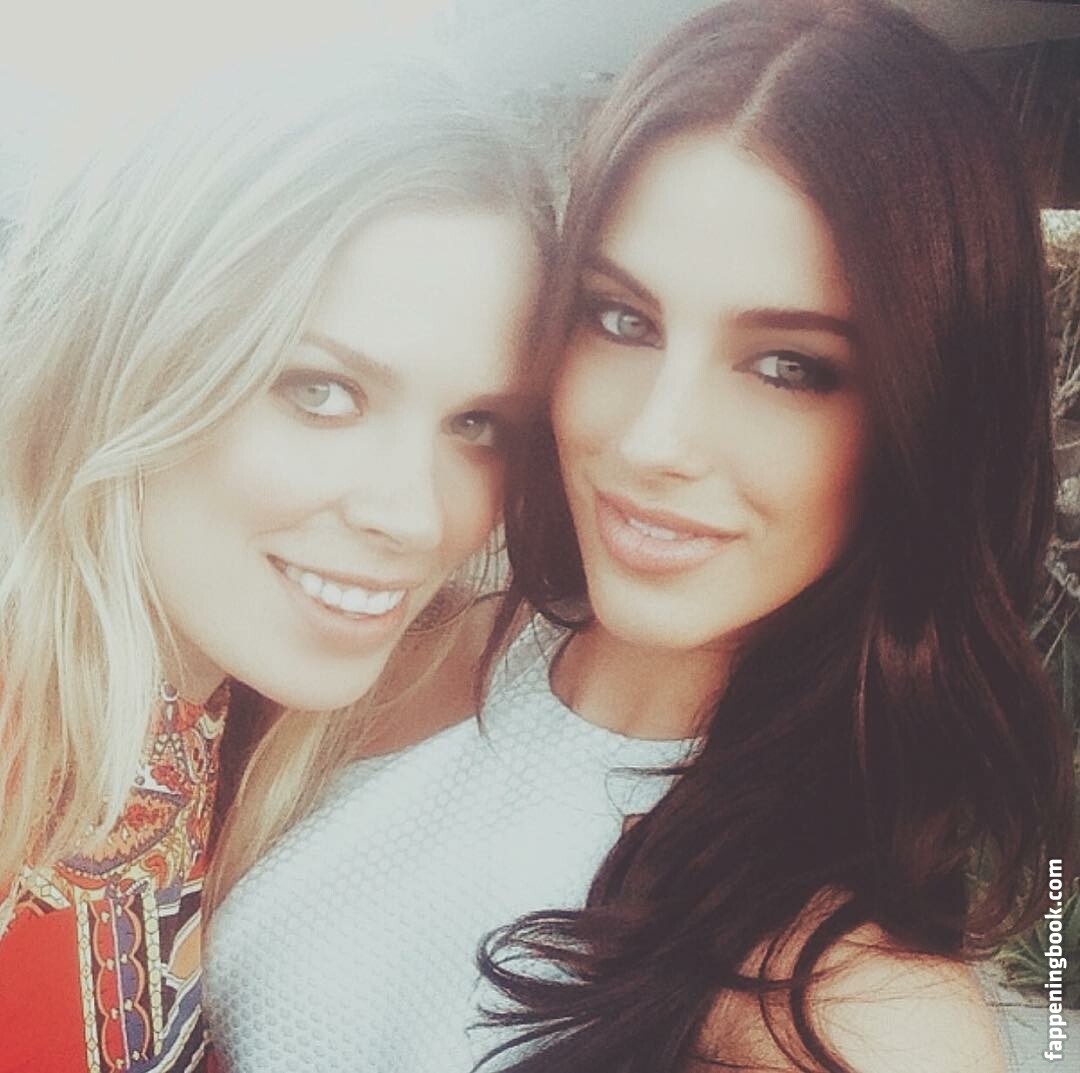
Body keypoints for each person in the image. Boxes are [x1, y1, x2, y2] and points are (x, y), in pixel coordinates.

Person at [205, 2, 1075, 1072]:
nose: (653, 440)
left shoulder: (857, 1014)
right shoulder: (393, 646)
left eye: (788, 366)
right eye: (624, 318)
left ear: (926, 421)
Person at [0, 51, 551, 1072]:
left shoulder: (219, 723)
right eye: (321, 390)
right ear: (123, 357)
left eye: (477, 422)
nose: (415, 514)